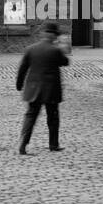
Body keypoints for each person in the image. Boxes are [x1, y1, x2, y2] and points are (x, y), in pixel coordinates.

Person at [15, 21, 70, 154]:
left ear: (43, 34)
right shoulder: (55, 50)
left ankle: (23, 143)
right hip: (51, 90)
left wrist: (19, 84)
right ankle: (53, 144)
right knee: (53, 117)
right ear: (54, 36)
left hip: (33, 88)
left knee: (30, 116)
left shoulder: (31, 49)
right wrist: (62, 47)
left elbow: (23, 68)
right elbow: (65, 62)